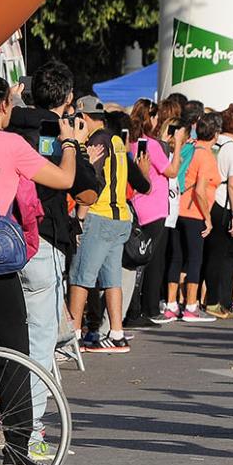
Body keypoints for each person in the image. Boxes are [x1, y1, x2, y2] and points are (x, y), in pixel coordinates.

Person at [0, 75, 80, 465]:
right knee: (13, 349)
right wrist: (69, 143)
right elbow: (65, 180)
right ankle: (17, 446)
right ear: (1, 109)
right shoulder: (11, 144)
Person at [5, 63, 101, 378]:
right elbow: (84, 189)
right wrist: (78, 146)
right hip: (42, 235)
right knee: (41, 331)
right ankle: (30, 422)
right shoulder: (54, 130)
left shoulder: (7, 125)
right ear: (69, 96)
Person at [68, 95, 151, 351]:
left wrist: (80, 217)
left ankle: (70, 337)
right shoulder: (116, 141)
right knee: (111, 278)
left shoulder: (95, 142)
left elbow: (92, 182)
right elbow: (142, 184)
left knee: (81, 277)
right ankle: (116, 333)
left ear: (83, 118)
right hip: (120, 218)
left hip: (99, 216)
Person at [125, 99, 184, 327]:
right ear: (150, 117)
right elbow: (171, 171)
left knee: (134, 261)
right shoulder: (150, 144)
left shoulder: (129, 141)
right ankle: (138, 310)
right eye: (156, 116)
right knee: (146, 261)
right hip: (153, 207)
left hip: (137, 205)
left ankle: (134, 309)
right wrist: (177, 143)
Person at [166, 112, 222, 323]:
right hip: (194, 211)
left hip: (177, 208)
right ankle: (190, 306)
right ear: (216, 134)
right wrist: (207, 217)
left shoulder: (189, 147)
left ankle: (171, 304)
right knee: (195, 259)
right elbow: (200, 190)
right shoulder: (206, 156)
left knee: (176, 257)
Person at [204, 107, 233, 318]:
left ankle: (198, 300)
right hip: (221, 203)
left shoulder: (212, 141)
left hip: (204, 200)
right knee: (218, 256)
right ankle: (213, 302)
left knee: (203, 255)